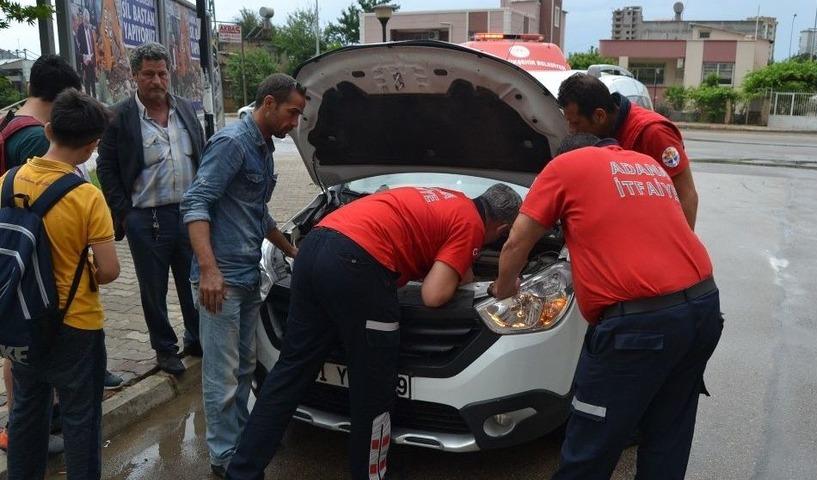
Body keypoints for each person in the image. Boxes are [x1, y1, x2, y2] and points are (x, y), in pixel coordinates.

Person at [226, 183, 522, 480]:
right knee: (374, 389)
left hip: (315, 247)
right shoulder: (470, 224)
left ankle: (242, 471)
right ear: (502, 227)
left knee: (288, 373)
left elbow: (454, 264)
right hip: (359, 265)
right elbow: (434, 295)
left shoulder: (453, 201)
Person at [491, 133, 722, 480]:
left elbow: (515, 243)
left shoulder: (565, 166)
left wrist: (504, 287)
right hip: (702, 309)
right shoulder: (646, 165)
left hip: (639, 328)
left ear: (563, 153)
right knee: (667, 431)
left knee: (591, 442)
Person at [180, 73, 302, 477]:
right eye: (292, 112)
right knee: (222, 373)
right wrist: (209, 270)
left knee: (244, 367)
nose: (295, 123)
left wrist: (291, 251)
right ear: (269, 103)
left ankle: (238, 439)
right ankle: (223, 456)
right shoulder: (232, 143)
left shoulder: (264, 147)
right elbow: (195, 202)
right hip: (222, 280)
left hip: (248, 274)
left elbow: (256, 212)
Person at [0, 54, 121, 454]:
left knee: (26, 417)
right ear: (92, 147)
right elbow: (109, 270)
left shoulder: (7, 179)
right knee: (81, 421)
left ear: (48, 129)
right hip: (76, 322)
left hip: (24, 314)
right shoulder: (88, 195)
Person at [97, 42, 204, 375]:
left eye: (162, 73)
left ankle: (196, 336)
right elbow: (106, 167)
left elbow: (202, 154)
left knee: (193, 281)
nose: (157, 80)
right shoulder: (119, 117)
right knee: (152, 288)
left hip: (188, 216)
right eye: (149, 74)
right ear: (134, 76)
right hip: (146, 219)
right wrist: (125, 213)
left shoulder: (186, 109)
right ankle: (164, 348)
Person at [556, 73, 699, 230]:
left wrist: (680, 247)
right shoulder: (602, 132)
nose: (572, 131)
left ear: (599, 116)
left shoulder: (654, 133)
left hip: (657, 231)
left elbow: (687, 195)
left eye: (576, 123)